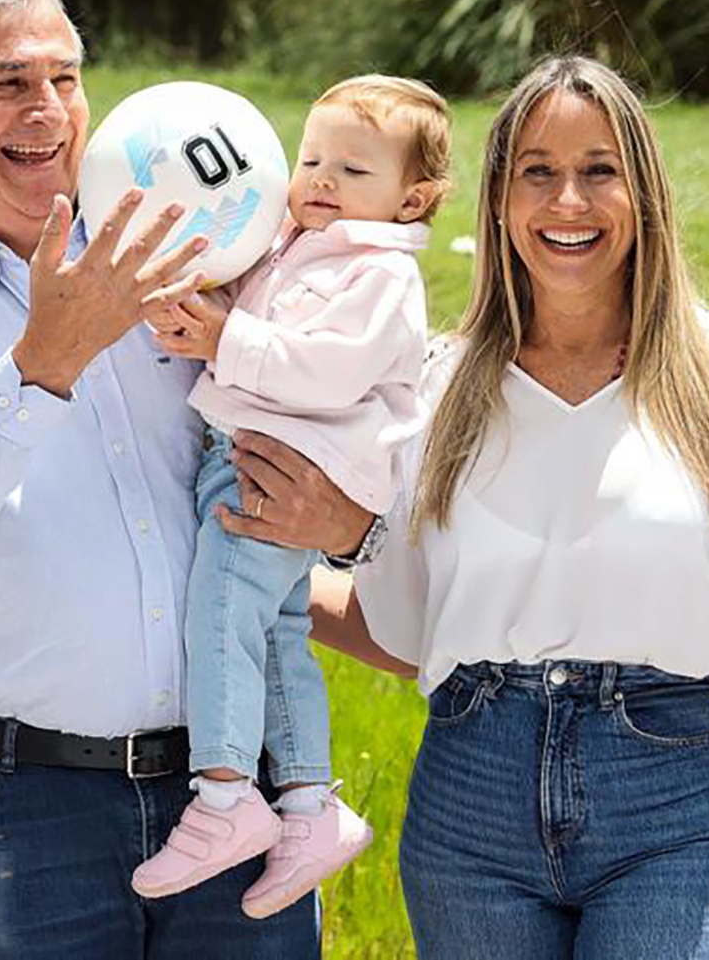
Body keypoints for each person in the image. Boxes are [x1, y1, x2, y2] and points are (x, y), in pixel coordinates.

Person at [0, 0, 373, 957]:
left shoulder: (206, 250)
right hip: (26, 803)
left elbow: (342, 435)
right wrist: (44, 361)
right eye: (8, 84)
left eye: (65, 78)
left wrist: (348, 527)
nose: (51, 112)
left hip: (237, 785)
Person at [283, 55, 709, 958]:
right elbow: (409, 631)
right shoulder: (434, 385)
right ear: (500, 200)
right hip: (470, 799)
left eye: (599, 171)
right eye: (538, 173)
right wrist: (267, 580)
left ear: (645, 192)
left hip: (671, 804)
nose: (568, 204)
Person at [132, 76, 452, 918]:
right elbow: (255, 308)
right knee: (277, 630)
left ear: (411, 198)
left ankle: (228, 794)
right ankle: (309, 806)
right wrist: (210, 309)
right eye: (311, 157)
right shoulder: (298, 244)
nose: (318, 178)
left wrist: (224, 337)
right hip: (257, 453)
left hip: (280, 469)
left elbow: (330, 368)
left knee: (223, 609)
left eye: (351, 168)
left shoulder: (380, 274)